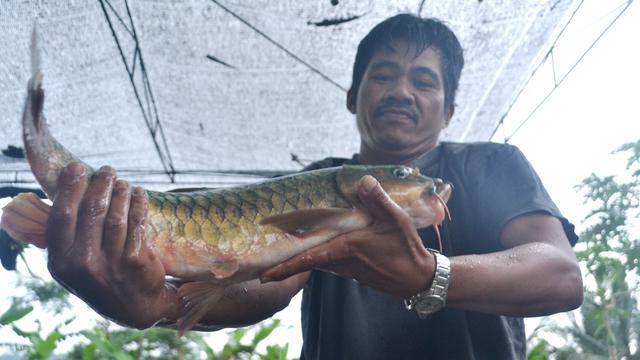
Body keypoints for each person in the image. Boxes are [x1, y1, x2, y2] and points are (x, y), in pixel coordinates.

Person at [45, 14, 582, 359]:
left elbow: (559, 276)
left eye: (424, 81)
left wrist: (429, 275)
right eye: (383, 75)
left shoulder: (491, 165)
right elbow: (265, 282)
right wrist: (158, 302)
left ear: (450, 109)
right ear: (353, 96)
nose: (401, 91)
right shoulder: (317, 181)